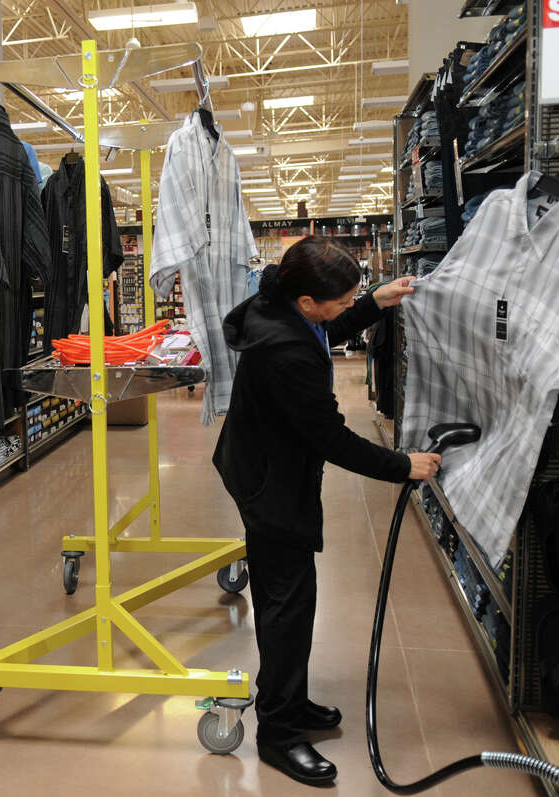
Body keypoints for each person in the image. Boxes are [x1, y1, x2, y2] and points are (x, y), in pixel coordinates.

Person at [212, 235, 441, 786]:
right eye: (341, 299)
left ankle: (286, 700)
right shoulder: (285, 355)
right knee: (287, 606)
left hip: (263, 466)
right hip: (273, 485)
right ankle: (278, 733)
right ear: (308, 300)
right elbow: (330, 437)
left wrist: (373, 304)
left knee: (286, 596)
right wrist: (400, 465)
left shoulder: (280, 306)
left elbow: (321, 333)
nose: (344, 306)